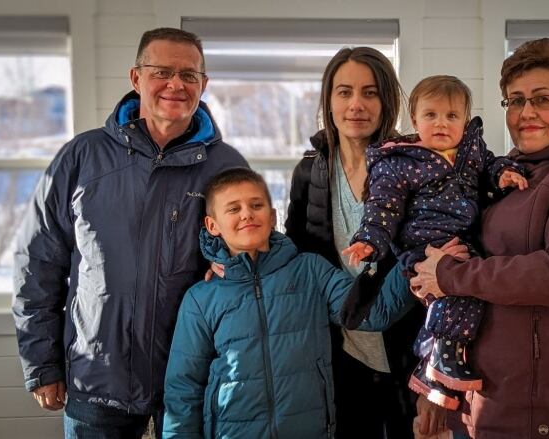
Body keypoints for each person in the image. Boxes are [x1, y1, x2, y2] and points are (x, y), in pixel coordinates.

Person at [12, 27, 247, 438]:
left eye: (189, 75)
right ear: (136, 78)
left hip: (193, 377)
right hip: (97, 378)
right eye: (162, 72)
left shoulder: (226, 166)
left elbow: (253, 254)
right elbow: (37, 264)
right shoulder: (82, 158)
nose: (175, 84)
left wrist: (232, 262)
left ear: (203, 85)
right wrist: (42, 363)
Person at [410, 38, 549, 439]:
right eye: (514, 100)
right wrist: (439, 387)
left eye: (543, 99)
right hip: (487, 398)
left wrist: (450, 274)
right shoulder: (506, 175)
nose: (526, 112)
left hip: (546, 407)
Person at [162, 167, 419, 438]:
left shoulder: (310, 271)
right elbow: (183, 389)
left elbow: (373, 312)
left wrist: (416, 259)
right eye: (233, 208)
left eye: (256, 205)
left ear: (273, 216)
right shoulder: (201, 299)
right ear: (212, 225)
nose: (247, 214)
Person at [342, 75, 527, 410]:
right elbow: (383, 206)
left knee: (473, 294)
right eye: (431, 115)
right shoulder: (401, 162)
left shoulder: (471, 152)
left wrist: (504, 174)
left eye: (452, 116)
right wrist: (368, 240)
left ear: (465, 122)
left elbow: (492, 167)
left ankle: (434, 360)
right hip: (422, 245)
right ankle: (440, 355)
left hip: (461, 243)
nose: (441, 123)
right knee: (461, 294)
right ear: (415, 121)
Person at [284, 46, 435, 438]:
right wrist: (230, 260)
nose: (357, 104)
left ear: (387, 101)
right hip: (339, 353)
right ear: (329, 101)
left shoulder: (417, 167)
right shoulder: (309, 172)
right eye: (344, 92)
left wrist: (435, 384)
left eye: (370, 92)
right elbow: (293, 253)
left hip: (410, 354)